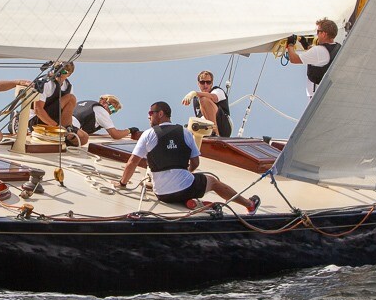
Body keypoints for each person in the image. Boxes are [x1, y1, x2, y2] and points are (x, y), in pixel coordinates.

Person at [115, 101, 258, 213]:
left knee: (182, 186)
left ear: (161, 114)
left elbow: (132, 162)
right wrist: (187, 173)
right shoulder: (185, 132)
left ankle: (190, 201)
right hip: (185, 188)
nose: (149, 116)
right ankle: (249, 204)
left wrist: (122, 183)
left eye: (151, 112)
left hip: (162, 194)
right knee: (213, 182)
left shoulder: (148, 134)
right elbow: (195, 162)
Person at [286, 18, 342, 98]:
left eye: (318, 32)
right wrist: (305, 44)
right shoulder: (337, 47)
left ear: (324, 34)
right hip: (326, 93)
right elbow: (318, 56)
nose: (317, 34)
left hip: (316, 95)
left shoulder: (319, 51)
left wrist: (290, 44)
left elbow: (294, 59)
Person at [31, 62, 79, 143]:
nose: (59, 73)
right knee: (71, 98)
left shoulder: (68, 87)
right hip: (36, 120)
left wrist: (68, 128)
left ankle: (64, 134)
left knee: (83, 138)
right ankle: (61, 135)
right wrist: (56, 126)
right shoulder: (45, 82)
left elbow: (68, 111)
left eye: (63, 71)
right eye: (57, 69)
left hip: (55, 120)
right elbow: (38, 109)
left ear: (69, 74)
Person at [183, 70, 232, 136]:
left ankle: (215, 133)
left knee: (204, 100)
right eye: (202, 82)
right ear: (198, 83)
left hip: (223, 127)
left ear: (211, 84)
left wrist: (194, 93)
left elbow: (213, 97)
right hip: (206, 128)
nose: (205, 85)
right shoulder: (196, 99)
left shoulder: (218, 91)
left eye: (208, 82)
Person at [73, 95, 140, 143]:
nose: (110, 112)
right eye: (111, 108)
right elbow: (115, 135)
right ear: (103, 101)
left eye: (114, 111)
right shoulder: (101, 110)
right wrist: (130, 130)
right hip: (72, 129)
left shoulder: (84, 104)